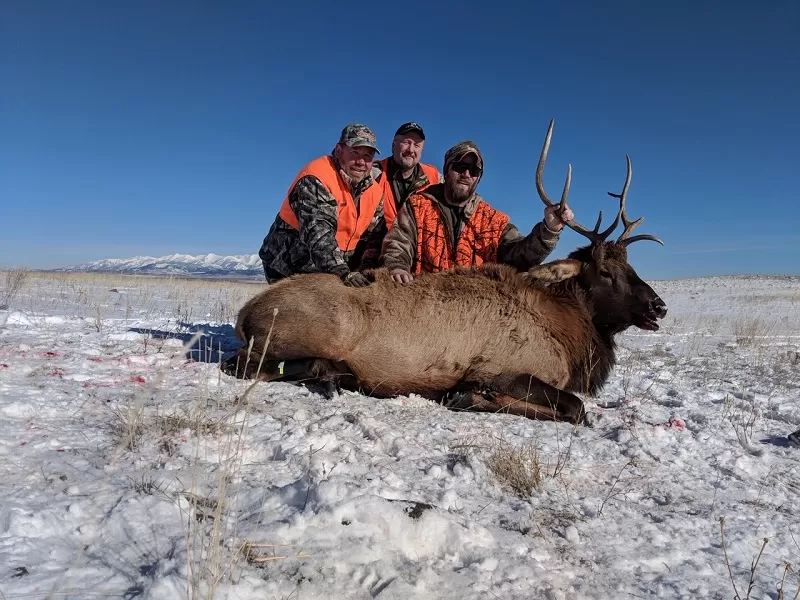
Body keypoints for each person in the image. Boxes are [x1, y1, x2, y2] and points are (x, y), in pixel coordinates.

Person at [381, 140, 574, 284]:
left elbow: (519, 257)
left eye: (474, 170)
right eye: (460, 167)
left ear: (478, 178)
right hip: (426, 305)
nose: (466, 174)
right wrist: (397, 267)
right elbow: (398, 244)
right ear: (447, 171)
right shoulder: (417, 207)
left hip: (477, 313)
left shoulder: (493, 220)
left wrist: (549, 230)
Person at [258, 124, 386, 287]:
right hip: (288, 267)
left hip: (334, 269)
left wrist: (366, 268)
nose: (361, 162)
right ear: (339, 151)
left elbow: (374, 237)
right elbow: (318, 233)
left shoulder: (374, 191)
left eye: (368, 156)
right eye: (355, 152)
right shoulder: (316, 177)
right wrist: (343, 273)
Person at [374, 122, 443, 230]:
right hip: (379, 243)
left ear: (421, 150)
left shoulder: (434, 177)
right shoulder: (374, 173)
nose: (411, 150)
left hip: (418, 244)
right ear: (393, 145)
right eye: (406, 142)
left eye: (416, 145)